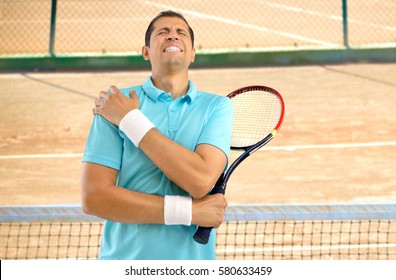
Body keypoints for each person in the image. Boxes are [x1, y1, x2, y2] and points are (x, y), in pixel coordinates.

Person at [80, 10, 234, 260]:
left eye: (181, 33)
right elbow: (94, 198)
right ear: (146, 52)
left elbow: (200, 181)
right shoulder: (113, 103)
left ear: (193, 53)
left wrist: (130, 121)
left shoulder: (216, 107)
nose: (173, 36)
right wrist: (189, 213)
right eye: (163, 32)